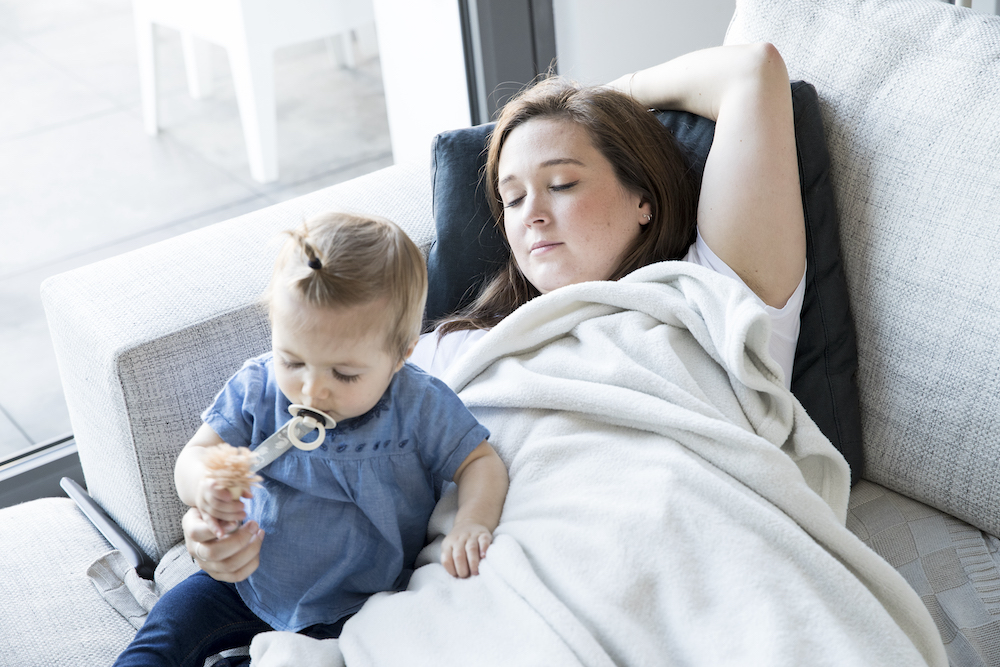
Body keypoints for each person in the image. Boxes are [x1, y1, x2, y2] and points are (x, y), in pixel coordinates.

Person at [183, 42, 805, 604]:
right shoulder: (450, 351)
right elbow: (311, 451)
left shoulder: (711, 297)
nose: (531, 212)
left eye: (561, 183)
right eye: (511, 197)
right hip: (487, 588)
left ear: (643, 198)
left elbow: (752, 73)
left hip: (670, 544)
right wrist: (209, 526)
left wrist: (596, 103)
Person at [114, 212, 509, 667]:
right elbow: (196, 455)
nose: (311, 389)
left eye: (345, 373)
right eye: (292, 360)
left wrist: (472, 522)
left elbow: (480, 462)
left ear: (401, 355)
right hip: (244, 584)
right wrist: (205, 485)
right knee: (165, 632)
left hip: (357, 606)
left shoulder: (419, 406)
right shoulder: (257, 388)